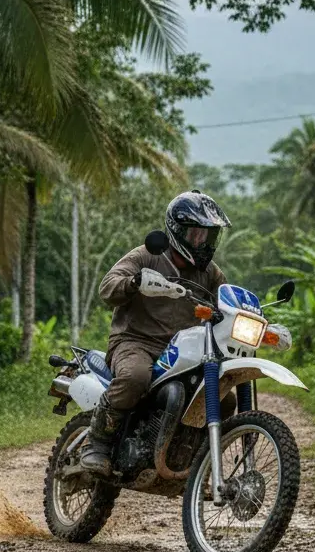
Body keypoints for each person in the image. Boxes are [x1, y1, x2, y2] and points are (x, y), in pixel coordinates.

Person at [81, 191, 231, 476]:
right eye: (196, 235)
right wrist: (134, 282)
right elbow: (107, 287)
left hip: (186, 351)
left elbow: (226, 300)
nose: (202, 243)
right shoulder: (146, 255)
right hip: (135, 342)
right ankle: (97, 444)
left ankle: (196, 461)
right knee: (135, 377)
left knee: (224, 397)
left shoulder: (211, 273)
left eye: (208, 237)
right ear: (177, 231)